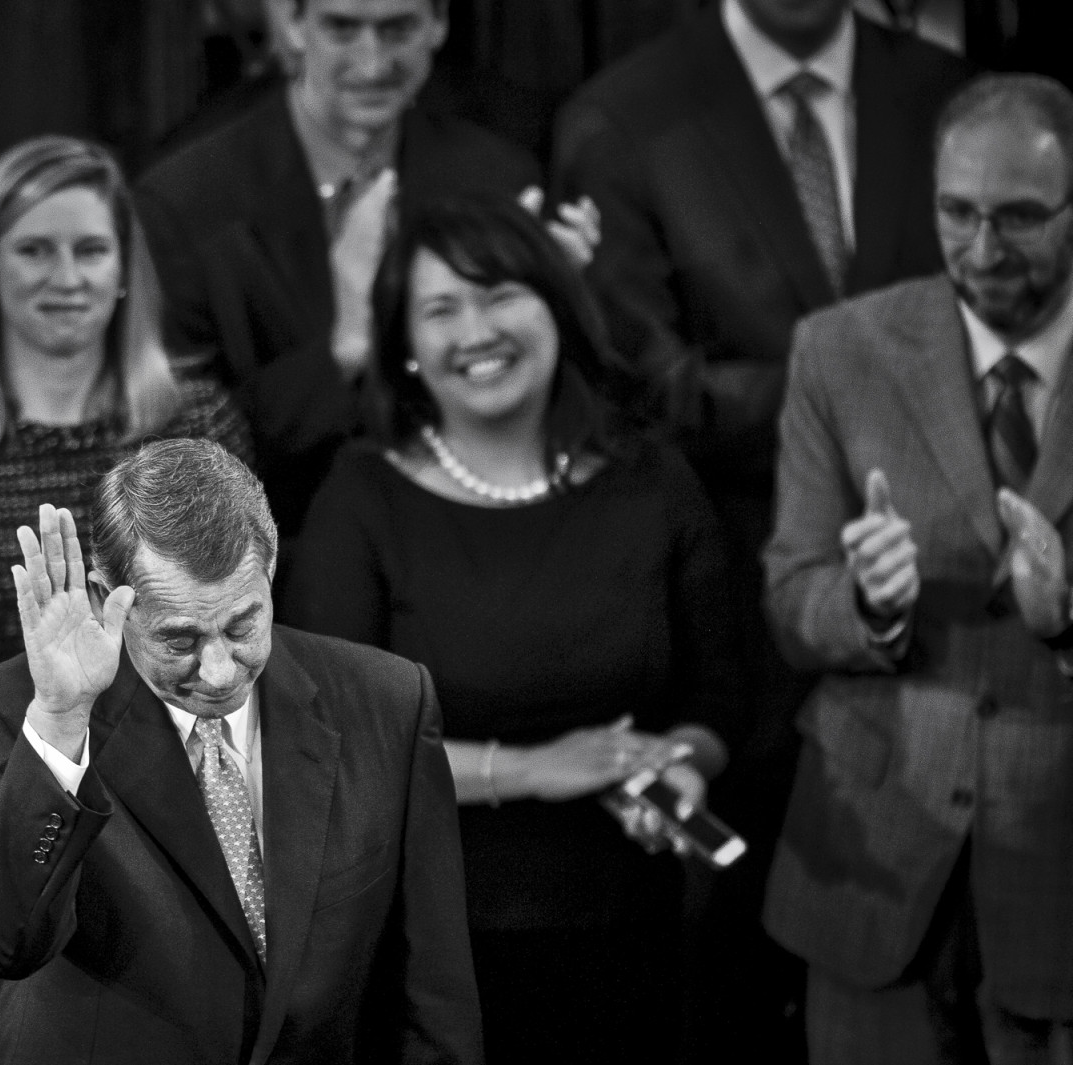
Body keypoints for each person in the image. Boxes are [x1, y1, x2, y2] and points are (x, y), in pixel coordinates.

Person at [552, 3, 973, 1052]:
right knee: (744, 967)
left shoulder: (941, 89)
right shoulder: (621, 115)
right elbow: (643, 384)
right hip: (734, 605)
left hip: (979, 600)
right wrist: (875, 397)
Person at [281, 195, 742, 1063]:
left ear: (558, 305)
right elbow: (332, 744)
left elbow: (718, 691)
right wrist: (534, 769)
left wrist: (681, 761)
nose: (476, 330)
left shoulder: (655, 479)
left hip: (637, 932)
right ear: (405, 347)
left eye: (500, 293)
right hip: (432, 946)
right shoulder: (363, 496)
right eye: (440, 308)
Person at [0, 136, 251, 1063]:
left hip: (188, 839)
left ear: (123, 271)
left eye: (89, 249)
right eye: (34, 249)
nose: (65, 275)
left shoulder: (199, 422)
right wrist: (49, 707)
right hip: (3, 839)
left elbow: (256, 636)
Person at [0, 439, 481, 1063]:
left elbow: (434, 999)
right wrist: (62, 721)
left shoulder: (387, 701)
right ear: (104, 596)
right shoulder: (6, 716)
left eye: (242, 625)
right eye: (180, 639)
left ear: (271, 569)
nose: (219, 671)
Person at [763, 73, 1073, 1063]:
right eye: (957, 213)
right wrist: (865, 603)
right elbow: (789, 596)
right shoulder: (838, 349)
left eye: (1020, 219)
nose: (982, 252)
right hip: (874, 871)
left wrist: (1062, 618)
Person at [135, 0, 597, 556]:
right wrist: (343, 348)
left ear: (439, 24)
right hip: (274, 564)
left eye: (397, 28)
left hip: (468, 547)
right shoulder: (183, 203)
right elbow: (180, 457)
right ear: (293, 25)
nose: (373, 61)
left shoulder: (498, 176)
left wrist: (558, 299)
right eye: (343, 27)